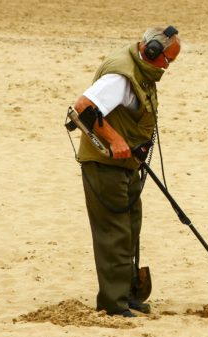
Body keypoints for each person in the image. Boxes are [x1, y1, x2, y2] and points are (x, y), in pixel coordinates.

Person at [73, 26, 181, 317]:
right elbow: (82, 107)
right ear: (152, 51)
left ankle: (128, 294)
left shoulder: (139, 69)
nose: (166, 67)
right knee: (115, 233)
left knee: (131, 227)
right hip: (104, 165)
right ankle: (114, 303)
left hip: (127, 164)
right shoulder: (120, 76)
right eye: (166, 60)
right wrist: (116, 140)